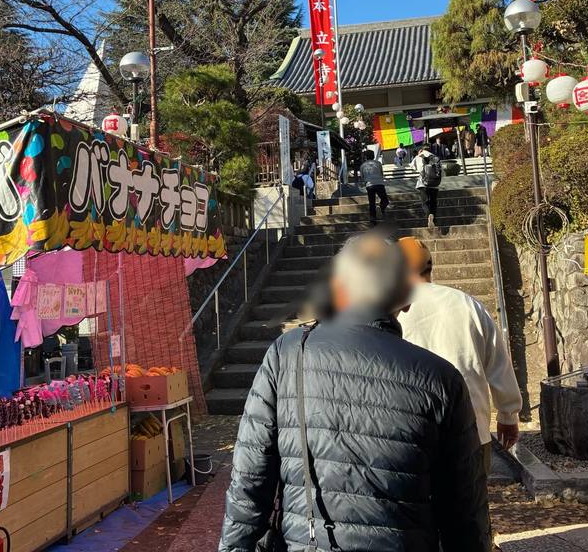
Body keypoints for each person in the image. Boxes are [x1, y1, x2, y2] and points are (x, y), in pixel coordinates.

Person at [218, 233, 491, 552]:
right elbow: (464, 512)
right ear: (405, 297)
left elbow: (250, 478)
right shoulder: (442, 379)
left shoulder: (287, 354)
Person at [397, 236, 522, 479]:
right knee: (472, 500)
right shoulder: (466, 303)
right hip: (471, 429)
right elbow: (498, 362)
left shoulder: (392, 309)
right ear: (431, 266)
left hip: (412, 431)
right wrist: (508, 414)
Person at [411, 143, 441, 228]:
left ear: (423, 149)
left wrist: (418, 155)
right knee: (433, 203)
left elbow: (413, 167)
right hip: (434, 184)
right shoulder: (436, 157)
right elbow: (440, 171)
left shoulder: (419, 156)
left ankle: (429, 216)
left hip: (423, 183)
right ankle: (433, 220)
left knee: (425, 203)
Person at [359, 149, 389, 223]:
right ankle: (382, 207)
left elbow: (362, 177)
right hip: (379, 183)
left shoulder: (362, 165)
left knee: (372, 202)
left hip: (369, 185)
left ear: (366, 157)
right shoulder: (378, 163)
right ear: (373, 156)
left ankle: (373, 217)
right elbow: (381, 173)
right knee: (385, 200)